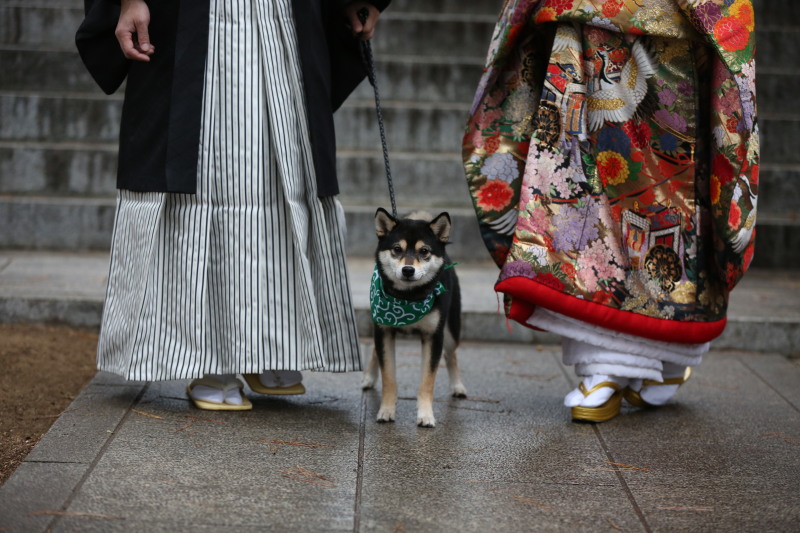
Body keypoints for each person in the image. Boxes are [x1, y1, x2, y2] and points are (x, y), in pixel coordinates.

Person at [76, 0, 390, 410]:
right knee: (209, 175)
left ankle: (271, 346)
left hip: (284, 21)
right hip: (193, 18)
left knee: (283, 175)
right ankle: (212, 358)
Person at [463, 0, 758, 422]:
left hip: (671, 32)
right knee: (578, 190)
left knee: (667, 192)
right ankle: (606, 364)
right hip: (583, 24)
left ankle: (664, 355)